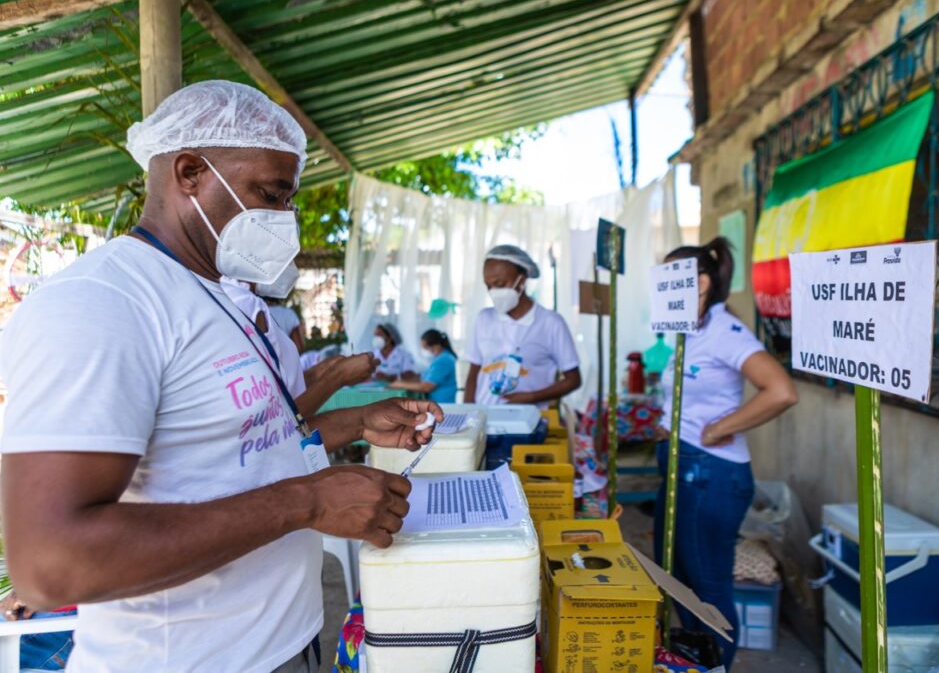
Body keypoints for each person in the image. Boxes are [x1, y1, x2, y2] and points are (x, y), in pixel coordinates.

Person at [0, 80, 442, 673]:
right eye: (270, 194)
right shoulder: (103, 303)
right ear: (190, 172)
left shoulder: (215, 296)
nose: (283, 218)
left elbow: (246, 444)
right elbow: (51, 562)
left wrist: (357, 421)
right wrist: (309, 500)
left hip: (284, 643)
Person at [652, 237, 798, 670]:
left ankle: (716, 665)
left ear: (700, 283)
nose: (661, 286)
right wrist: (670, 424)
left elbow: (781, 391)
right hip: (684, 466)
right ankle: (698, 659)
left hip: (711, 476)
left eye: (670, 278)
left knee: (709, 589)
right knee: (677, 579)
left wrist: (721, 427)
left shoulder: (724, 331)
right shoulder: (688, 330)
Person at [221, 274, 379, 416]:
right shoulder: (244, 303)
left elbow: (281, 387)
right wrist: (338, 375)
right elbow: (276, 415)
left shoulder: (233, 297)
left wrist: (322, 371)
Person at [464, 245, 581, 408]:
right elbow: (473, 372)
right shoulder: (484, 319)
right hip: (486, 416)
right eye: (489, 286)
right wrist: (469, 411)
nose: (494, 291)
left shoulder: (550, 323)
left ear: (522, 280)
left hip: (530, 419)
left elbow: (573, 380)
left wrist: (532, 397)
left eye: (500, 283)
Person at [390, 329, 458, 403]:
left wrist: (400, 385)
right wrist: (404, 381)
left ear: (434, 345)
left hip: (443, 403)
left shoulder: (443, 360)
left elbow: (427, 387)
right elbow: (424, 378)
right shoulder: (444, 357)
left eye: (426, 348)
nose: (427, 351)